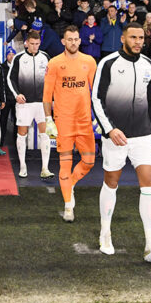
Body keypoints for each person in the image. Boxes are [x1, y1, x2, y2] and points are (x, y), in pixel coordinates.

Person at [92, 22, 151, 265]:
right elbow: (95, 99)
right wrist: (109, 129)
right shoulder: (108, 63)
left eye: (141, 37)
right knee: (111, 182)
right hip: (116, 136)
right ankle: (105, 233)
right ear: (123, 39)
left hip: (143, 135)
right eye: (133, 37)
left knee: (149, 184)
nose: (138, 41)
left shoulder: (149, 64)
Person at [43, 26, 98, 222]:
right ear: (63, 41)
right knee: (64, 164)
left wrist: (99, 117)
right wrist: (48, 119)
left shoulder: (89, 62)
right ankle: (68, 205)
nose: (73, 42)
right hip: (64, 122)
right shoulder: (55, 63)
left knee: (89, 161)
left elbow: (97, 93)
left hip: (84, 121)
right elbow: (47, 94)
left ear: (79, 41)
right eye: (69, 39)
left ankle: (70, 184)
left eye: (76, 39)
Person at [7, 31, 54, 179]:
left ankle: (45, 168)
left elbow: (52, 78)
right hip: (24, 103)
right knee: (22, 134)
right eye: (32, 44)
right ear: (26, 43)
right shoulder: (19, 58)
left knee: (45, 134)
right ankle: (22, 166)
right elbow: (10, 79)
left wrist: (52, 98)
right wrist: (16, 95)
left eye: (37, 44)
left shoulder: (45, 57)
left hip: (42, 103)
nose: (35, 46)